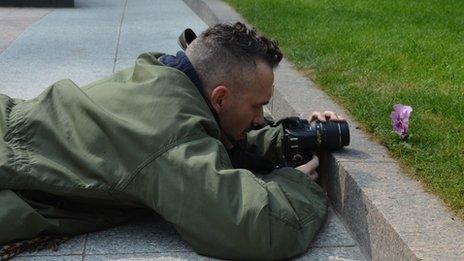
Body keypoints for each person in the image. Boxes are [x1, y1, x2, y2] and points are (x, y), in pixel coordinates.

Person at [0, 22, 345, 260]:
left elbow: (209, 133)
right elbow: (258, 226)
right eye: (257, 106)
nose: (260, 118)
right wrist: (296, 184)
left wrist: (289, 139)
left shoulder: (166, 76)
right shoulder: (167, 135)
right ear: (221, 98)